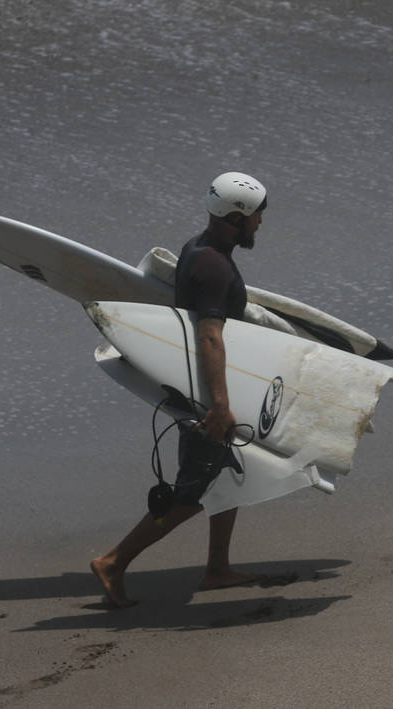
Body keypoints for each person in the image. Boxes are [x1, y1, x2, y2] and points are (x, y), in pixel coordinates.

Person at [90, 172, 268, 606]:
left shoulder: (201, 249)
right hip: (203, 394)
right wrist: (220, 407)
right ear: (236, 216)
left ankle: (217, 568)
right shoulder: (213, 266)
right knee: (194, 491)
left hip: (204, 386)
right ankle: (113, 561)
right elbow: (209, 336)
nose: (262, 223)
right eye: (258, 215)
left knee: (228, 476)